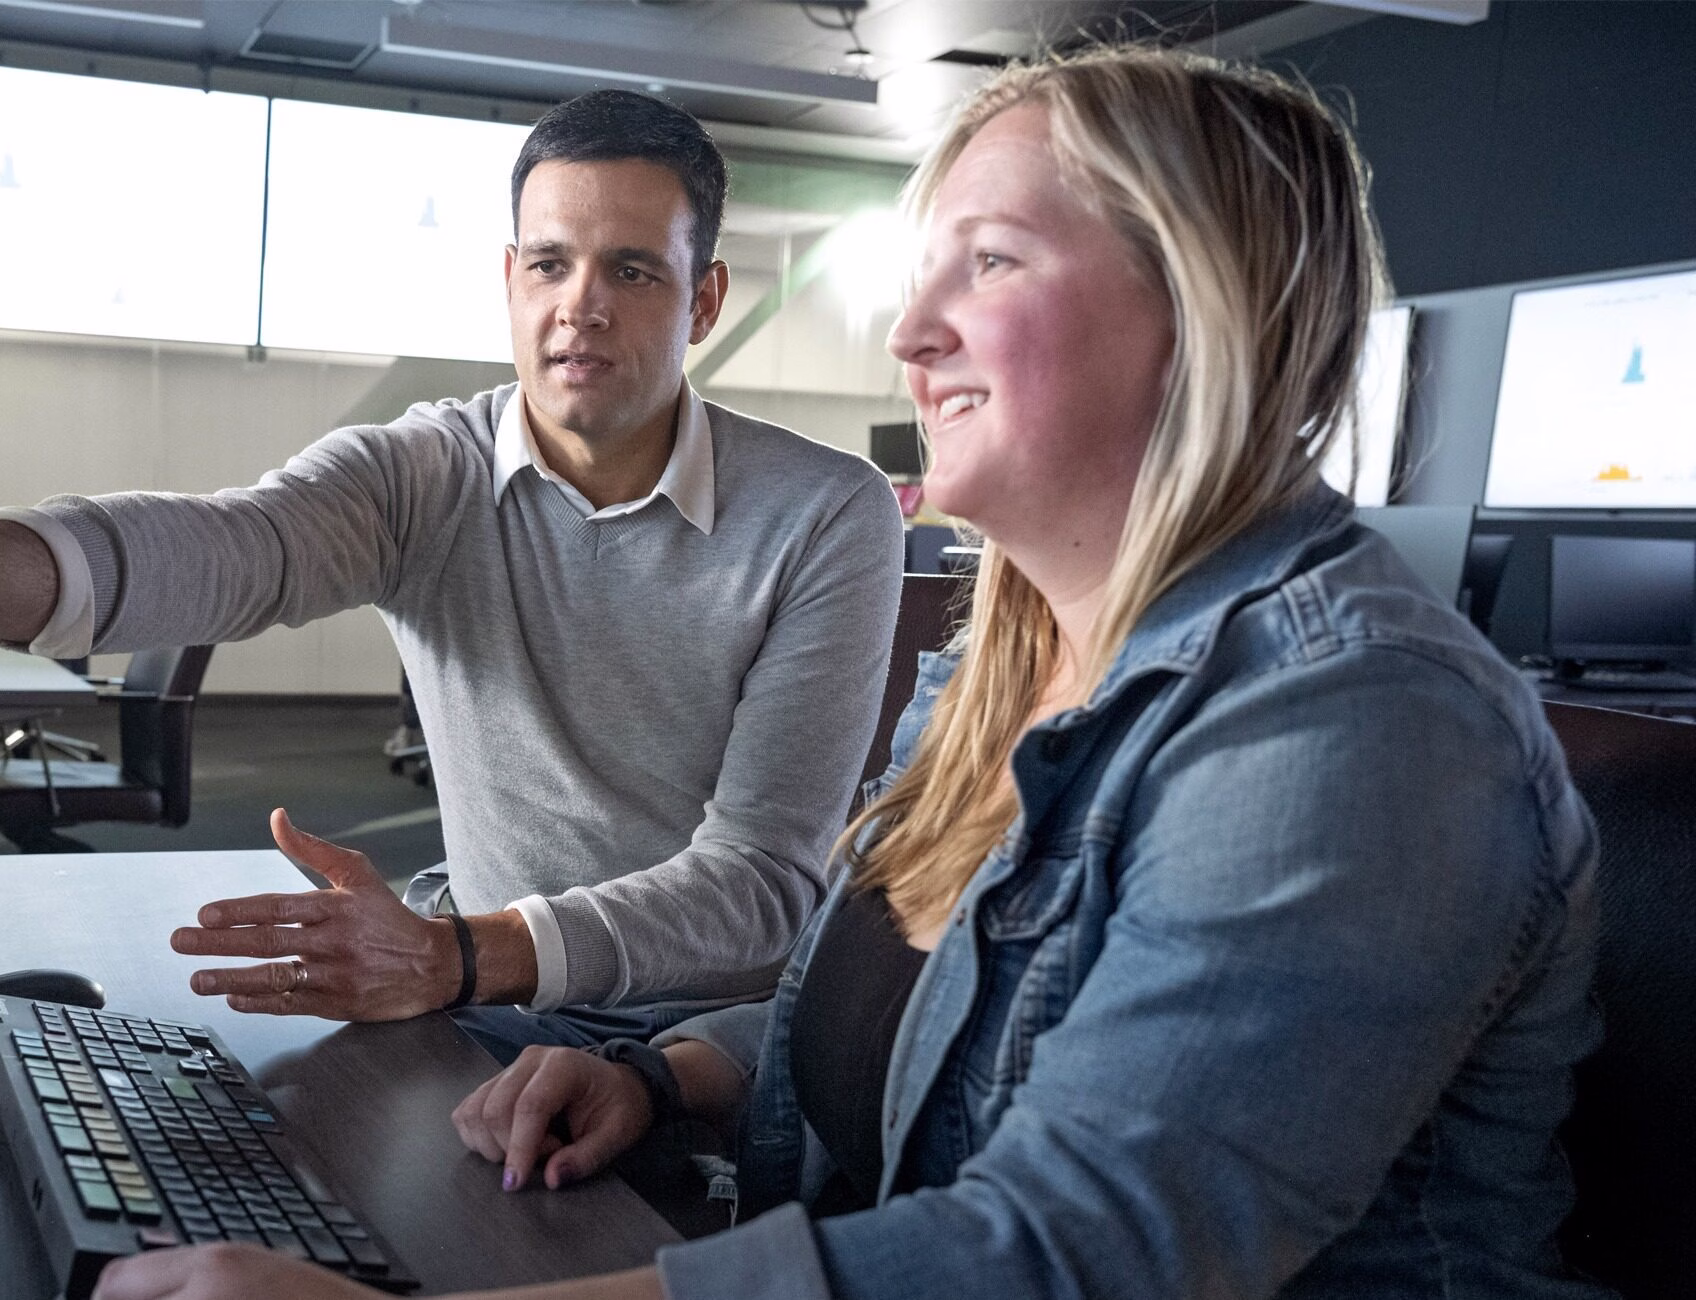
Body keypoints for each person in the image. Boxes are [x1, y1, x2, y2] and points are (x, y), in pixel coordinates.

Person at [88, 45, 1613, 1300]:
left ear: (1200, 306)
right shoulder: (1010, 656)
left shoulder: (1354, 728)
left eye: (993, 260)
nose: (908, 331)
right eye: (921, 269)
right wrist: (678, 1076)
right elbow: (923, 1009)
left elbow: (1084, 1256)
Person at [0, 90, 905, 1055]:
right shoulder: (429, 473)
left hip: (696, 1044)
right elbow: (237, 545)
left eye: (631, 271)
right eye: (550, 264)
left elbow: (760, 889)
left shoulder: (828, 515)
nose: (582, 307)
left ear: (708, 297)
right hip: (463, 990)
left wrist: (462, 957)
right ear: (508, 279)